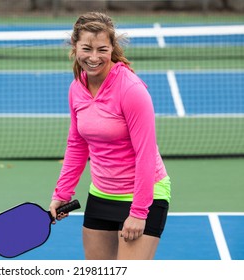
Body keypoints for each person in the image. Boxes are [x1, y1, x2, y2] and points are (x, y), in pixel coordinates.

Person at [49, 12, 171, 260]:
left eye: (102, 49)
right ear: (75, 47)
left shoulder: (131, 90)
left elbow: (146, 154)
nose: (93, 57)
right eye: (87, 48)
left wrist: (138, 212)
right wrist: (62, 194)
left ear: (112, 48)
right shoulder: (76, 88)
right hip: (102, 193)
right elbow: (77, 145)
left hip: (143, 196)